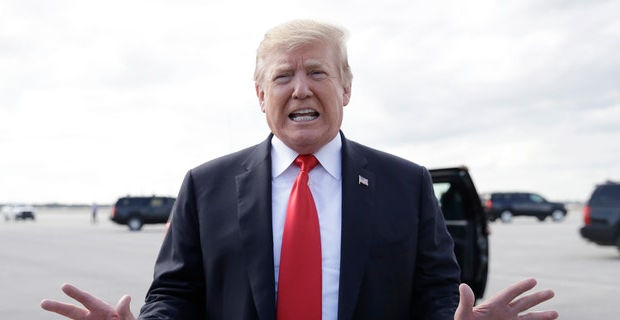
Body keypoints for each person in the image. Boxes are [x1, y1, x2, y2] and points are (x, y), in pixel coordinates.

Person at [41, 19, 558, 319]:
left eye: (317, 72)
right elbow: (175, 294)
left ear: (346, 89)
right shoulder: (206, 185)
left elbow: (435, 291)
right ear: (261, 95)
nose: (301, 88)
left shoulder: (407, 182)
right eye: (283, 75)